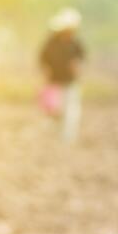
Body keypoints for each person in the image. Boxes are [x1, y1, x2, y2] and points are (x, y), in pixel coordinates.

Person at [39, 8, 85, 142]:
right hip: (54, 83)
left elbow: (81, 58)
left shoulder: (75, 43)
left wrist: (77, 66)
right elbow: (42, 59)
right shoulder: (51, 43)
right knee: (54, 111)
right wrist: (46, 71)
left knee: (70, 111)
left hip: (70, 82)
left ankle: (67, 138)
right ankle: (54, 137)